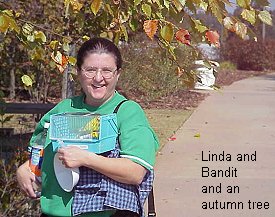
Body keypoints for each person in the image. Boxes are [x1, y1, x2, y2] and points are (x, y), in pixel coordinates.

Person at [16, 37, 159, 217]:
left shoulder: (127, 112)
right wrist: (25, 169)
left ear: (118, 74)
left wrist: (86, 159)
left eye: (107, 70)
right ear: (78, 72)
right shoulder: (64, 108)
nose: (98, 78)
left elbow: (136, 172)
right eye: (90, 70)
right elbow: (41, 150)